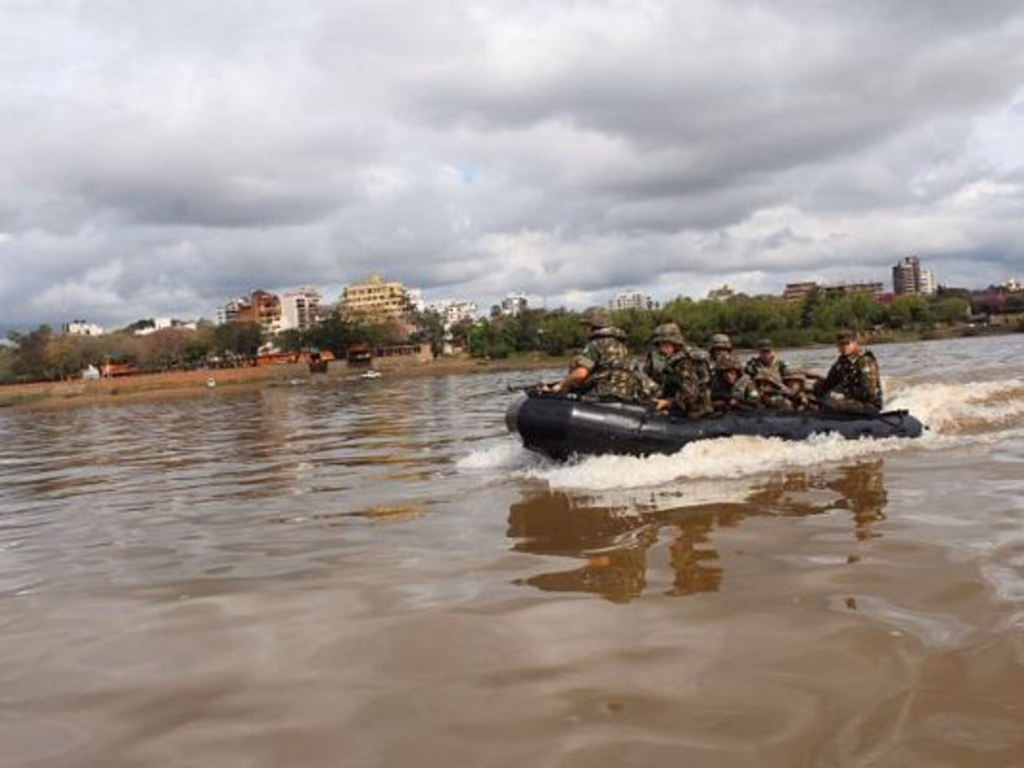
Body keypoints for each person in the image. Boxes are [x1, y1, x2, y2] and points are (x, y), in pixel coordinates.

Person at [549, 306, 649, 401]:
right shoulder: (620, 345)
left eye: (584, 326)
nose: (583, 330)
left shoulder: (595, 344)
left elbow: (580, 374)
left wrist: (561, 385)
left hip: (600, 395)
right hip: (625, 394)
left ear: (592, 326)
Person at [647, 323, 712, 417]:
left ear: (675, 343)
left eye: (666, 345)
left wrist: (667, 402)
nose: (662, 349)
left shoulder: (685, 362)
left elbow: (691, 395)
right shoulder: (675, 359)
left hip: (696, 410)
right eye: (659, 345)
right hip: (684, 404)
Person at [814, 330, 883, 414]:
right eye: (840, 344)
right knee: (819, 390)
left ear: (854, 343)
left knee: (834, 404)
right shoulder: (841, 362)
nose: (844, 347)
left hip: (868, 404)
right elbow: (829, 382)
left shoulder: (865, 361)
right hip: (849, 400)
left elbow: (867, 392)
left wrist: (844, 394)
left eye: (847, 343)